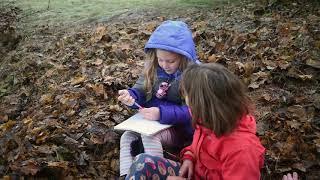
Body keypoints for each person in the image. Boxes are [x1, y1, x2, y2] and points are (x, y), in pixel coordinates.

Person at [125, 63, 266, 180]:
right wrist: (189, 158)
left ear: (204, 104)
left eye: (187, 97)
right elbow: (195, 147)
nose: (186, 102)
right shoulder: (205, 120)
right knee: (144, 163)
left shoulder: (242, 150)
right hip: (195, 174)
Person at [117, 20, 200, 177]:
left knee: (150, 137)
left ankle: (156, 173)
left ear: (183, 57)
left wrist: (161, 113)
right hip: (152, 122)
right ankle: (127, 176)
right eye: (160, 59)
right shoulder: (153, 68)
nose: (165, 65)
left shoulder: (193, 76)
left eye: (171, 61)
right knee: (127, 137)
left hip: (181, 129)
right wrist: (131, 97)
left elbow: (192, 111)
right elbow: (140, 90)